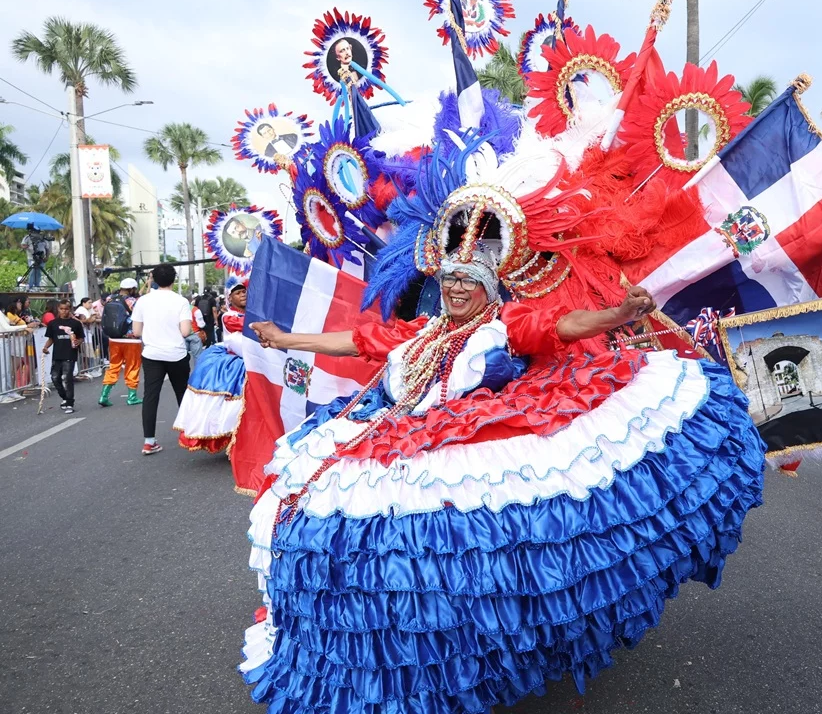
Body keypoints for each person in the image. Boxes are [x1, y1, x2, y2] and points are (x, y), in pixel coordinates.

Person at [239, 236, 767, 712]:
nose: (457, 288)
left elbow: (563, 327)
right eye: (449, 279)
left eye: (469, 279)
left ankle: (467, 659)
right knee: (324, 528)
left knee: (457, 557)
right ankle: (367, 655)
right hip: (389, 433)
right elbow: (358, 342)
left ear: (488, 288)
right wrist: (287, 341)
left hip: (463, 441)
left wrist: (617, 315)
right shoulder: (421, 330)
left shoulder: (504, 325)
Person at [174, 280, 248, 454]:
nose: (243, 294)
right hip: (236, 365)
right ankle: (236, 441)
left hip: (255, 361)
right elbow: (249, 327)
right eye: (238, 293)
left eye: (244, 291)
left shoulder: (254, 313)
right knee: (234, 407)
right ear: (230, 298)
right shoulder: (229, 316)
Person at [131, 264, 193, 455]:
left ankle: (149, 441)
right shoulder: (181, 301)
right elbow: (185, 331)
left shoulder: (143, 301)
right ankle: (190, 435)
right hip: (176, 353)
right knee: (183, 394)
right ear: (174, 280)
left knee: (151, 395)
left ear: (154, 279)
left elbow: (136, 332)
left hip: (152, 354)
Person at [99, 278, 143, 407]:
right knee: (132, 367)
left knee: (114, 366)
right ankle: (132, 397)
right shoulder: (133, 302)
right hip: (131, 340)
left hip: (114, 338)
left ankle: (104, 396)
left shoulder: (110, 299)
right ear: (132, 289)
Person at [41, 300, 85, 414]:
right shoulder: (53, 324)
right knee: (55, 377)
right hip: (57, 355)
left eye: (66, 309)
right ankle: (65, 397)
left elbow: (81, 337)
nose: (64, 311)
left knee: (67, 378)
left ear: (69, 309)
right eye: (61, 309)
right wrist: (45, 347)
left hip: (70, 354)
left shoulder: (76, 323)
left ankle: (70, 402)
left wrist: (77, 342)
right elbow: (51, 338)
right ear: (58, 309)